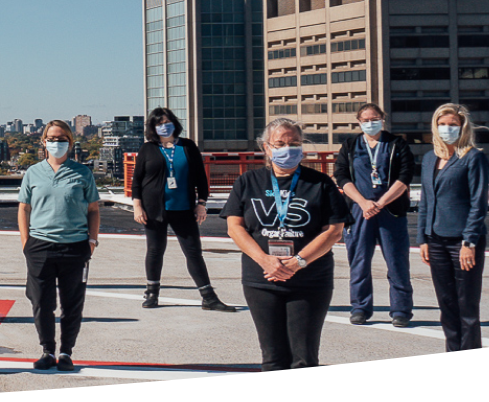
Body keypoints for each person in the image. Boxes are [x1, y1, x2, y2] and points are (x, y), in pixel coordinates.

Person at [221, 118, 349, 372]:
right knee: (273, 359)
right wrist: (264, 259)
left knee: (304, 359)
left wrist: (298, 261)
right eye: (280, 143)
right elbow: (235, 228)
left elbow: (334, 231)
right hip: (262, 280)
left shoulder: (321, 183)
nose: (287, 148)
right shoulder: (248, 182)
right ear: (266, 148)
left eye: (294, 143)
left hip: (309, 280)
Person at [16, 121, 100, 372]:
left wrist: (92, 241)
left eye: (62, 138)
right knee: (41, 301)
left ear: (71, 142)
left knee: (72, 302)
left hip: (74, 247)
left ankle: (66, 352)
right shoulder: (33, 172)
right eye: (51, 138)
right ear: (43, 142)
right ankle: (47, 350)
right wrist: (25, 242)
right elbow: (24, 208)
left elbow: (94, 209)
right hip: (40, 246)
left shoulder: (82, 173)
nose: (56, 142)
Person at [132, 107, 234, 311]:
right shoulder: (148, 148)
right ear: (152, 127)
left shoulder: (187, 146)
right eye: (159, 123)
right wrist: (137, 206)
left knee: (193, 252)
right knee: (155, 251)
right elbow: (137, 180)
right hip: (154, 209)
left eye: (167, 122)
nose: (164, 126)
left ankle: (209, 297)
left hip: (183, 208)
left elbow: (200, 178)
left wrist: (201, 203)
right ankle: (152, 293)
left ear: (175, 123)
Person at [334, 103, 418, 327]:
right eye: (366, 120)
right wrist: (363, 202)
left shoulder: (396, 144)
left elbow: (405, 175)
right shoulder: (350, 145)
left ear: (383, 119)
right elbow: (341, 175)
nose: (371, 123)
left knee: (397, 262)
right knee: (359, 262)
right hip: (359, 211)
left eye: (375, 118)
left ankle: (401, 310)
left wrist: (380, 203)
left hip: (390, 210)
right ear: (359, 122)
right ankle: (360, 307)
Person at [418, 103, 489, 354]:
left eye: (452, 125)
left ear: (463, 128)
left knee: (467, 306)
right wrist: (422, 239)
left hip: (463, 243)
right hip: (435, 240)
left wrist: (469, 242)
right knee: (446, 306)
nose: (446, 129)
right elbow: (426, 200)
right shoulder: (429, 159)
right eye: (442, 124)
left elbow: (478, 203)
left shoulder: (473, 157)